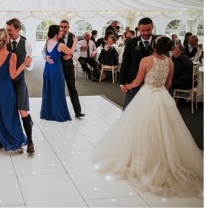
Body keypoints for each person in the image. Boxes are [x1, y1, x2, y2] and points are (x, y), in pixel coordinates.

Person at [92, 37, 203, 197]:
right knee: (164, 129)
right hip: (162, 96)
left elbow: (137, 81)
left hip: (147, 94)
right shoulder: (170, 62)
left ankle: (142, 159)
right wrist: (161, 92)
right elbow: (168, 83)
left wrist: (126, 86)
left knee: (142, 126)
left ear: (153, 45)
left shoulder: (146, 60)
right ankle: (163, 159)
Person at [0, 29, 31, 153]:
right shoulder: (11, 55)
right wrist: (24, 64)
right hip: (5, 87)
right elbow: (13, 75)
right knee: (8, 114)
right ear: (7, 40)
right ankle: (12, 141)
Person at [0, 18, 36, 153]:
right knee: (7, 112)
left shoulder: (27, 45)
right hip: (5, 84)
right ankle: (5, 138)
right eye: (6, 30)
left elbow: (30, 66)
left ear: (18, 30)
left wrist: (28, 64)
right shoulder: (2, 42)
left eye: (10, 30)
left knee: (23, 112)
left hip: (19, 82)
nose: (7, 32)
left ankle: (29, 141)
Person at [44, 20, 84, 119]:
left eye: (64, 27)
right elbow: (44, 50)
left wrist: (71, 55)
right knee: (57, 90)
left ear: (68, 27)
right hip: (57, 68)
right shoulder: (53, 38)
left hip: (68, 67)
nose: (62, 29)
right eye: (61, 27)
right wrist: (45, 57)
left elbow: (77, 51)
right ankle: (56, 111)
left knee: (72, 88)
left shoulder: (73, 37)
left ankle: (77, 111)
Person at [119, 17, 158, 109]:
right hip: (134, 80)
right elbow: (125, 62)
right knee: (129, 109)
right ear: (138, 29)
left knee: (150, 109)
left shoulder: (158, 41)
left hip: (153, 82)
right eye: (143, 30)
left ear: (152, 27)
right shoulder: (131, 42)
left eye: (148, 30)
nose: (145, 33)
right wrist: (122, 82)